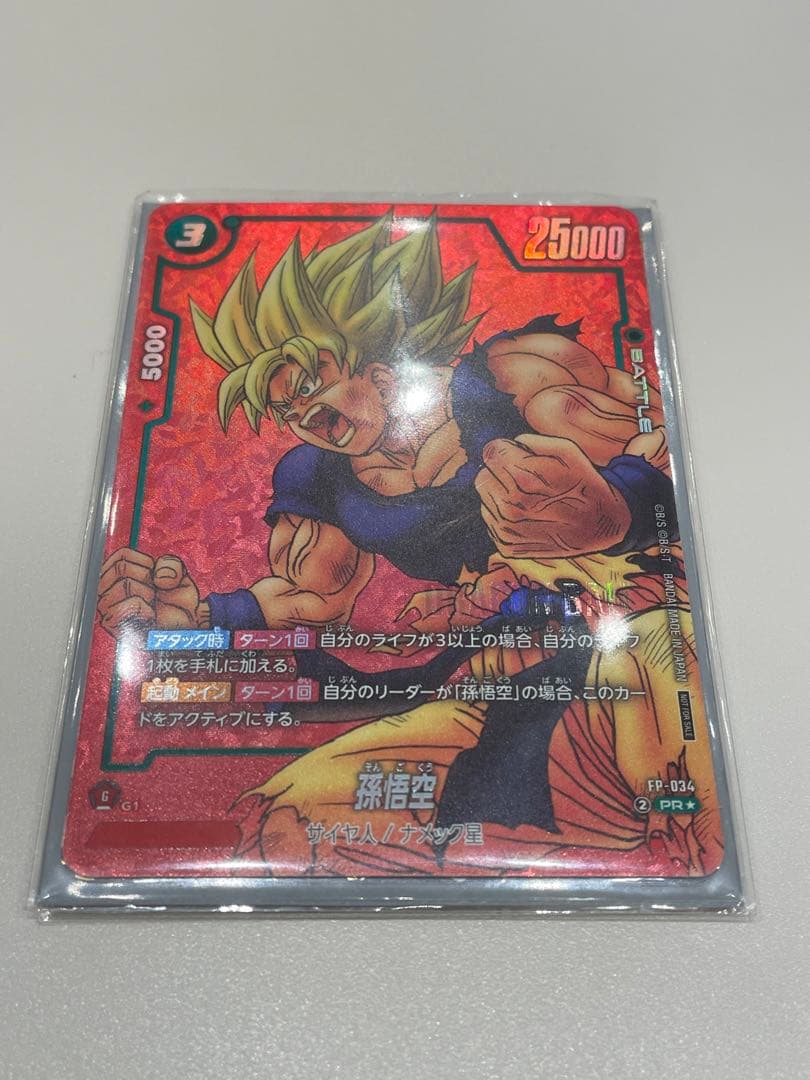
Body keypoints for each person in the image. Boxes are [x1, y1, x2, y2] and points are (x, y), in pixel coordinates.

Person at [98, 212, 722, 876]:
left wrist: (618, 507)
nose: (303, 417)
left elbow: (663, 451)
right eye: (284, 407)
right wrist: (201, 620)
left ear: (377, 359)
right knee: (287, 824)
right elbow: (313, 599)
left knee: (666, 715)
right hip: (500, 674)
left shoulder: (510, 378)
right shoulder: (319, 476)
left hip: (638, 634)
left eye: (309, 384)